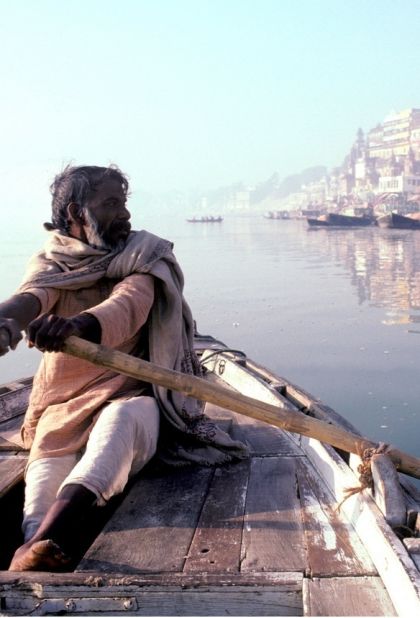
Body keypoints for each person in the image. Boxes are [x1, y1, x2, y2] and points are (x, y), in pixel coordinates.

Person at [0, 164, 247, 572]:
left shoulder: (143, 255)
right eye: (112, 204)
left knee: (121, 422)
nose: (126, 214)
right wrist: (6, 320)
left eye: (124, 202)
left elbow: (128, 306)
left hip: (131, 395)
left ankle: (47, 539)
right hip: (63, 406)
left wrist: (75, 326)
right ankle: (32, 547)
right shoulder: (51, 262)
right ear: (78, 213)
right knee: (44, 475)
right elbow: (31, 297)